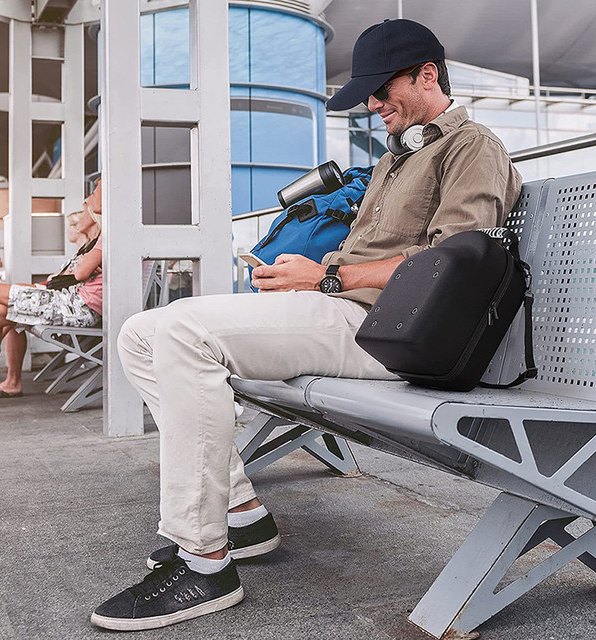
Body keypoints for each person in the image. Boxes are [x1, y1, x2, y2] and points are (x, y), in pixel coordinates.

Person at [91, 19, 522, 631]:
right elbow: (374, 257)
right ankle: (239, 513)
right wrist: (314, 268)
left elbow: (455, 260)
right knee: (142, 331)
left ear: (428, 75)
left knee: (183, 334)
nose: (372, 106)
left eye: (380, 91)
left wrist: (325, 279)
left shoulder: (470, 146)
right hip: (348, 310)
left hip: (392, 334)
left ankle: (204, 560)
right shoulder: (402, 154)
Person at [0, 180, 103, 401]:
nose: (89, 199)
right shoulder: (98, 242)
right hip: (69, 303)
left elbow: (80, 274)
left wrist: (79, 268)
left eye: (95, 192)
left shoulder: (106, 238)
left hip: (77, 309)